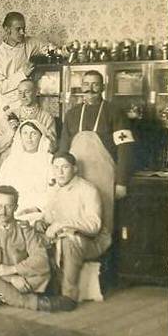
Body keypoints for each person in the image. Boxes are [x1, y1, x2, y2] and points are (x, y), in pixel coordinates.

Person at [33, 152, 111, 312]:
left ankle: (69, 297)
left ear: (74, 169)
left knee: (70, 242)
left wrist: (62, 225)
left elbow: (94, 225)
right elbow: (49, 217)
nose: (60, 172)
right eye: (56, 168)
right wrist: (42, 223)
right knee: (32, 236)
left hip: (91, 242)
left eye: (64, 167)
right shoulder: (55, 190)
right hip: (61, 237)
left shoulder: (88, 190)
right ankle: (42, 289)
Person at [59, 70, 134, 232]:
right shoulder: (72, 114)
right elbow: (63, 149)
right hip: (76, 177)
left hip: (104, 178)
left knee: (103, 223)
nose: (90, 88)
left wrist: (121, 182)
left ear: (103, 87)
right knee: (76, 220)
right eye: (86, 84)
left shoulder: (115, 112)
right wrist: (58, 176)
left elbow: (125, 149)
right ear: (81, 86)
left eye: (95, 84)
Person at [0, 186, 51, 311]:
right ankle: (28, 301)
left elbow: (41, 258)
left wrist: (12, 269)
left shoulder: (25, 229)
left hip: (21, 277)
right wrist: (12, 279)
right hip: (2, 277)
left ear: (16, 207)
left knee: (43, 274)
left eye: (8, 206)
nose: (2, 212)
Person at [0, 12, 45, 142]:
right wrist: (22, 74)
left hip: (25, 102)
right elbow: (0, 87)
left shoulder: (30, 43)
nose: (22, 32)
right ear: (7, 29)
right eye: (18, 29)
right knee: (5, 143)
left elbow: (46, 48)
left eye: (24, 29)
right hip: (6, 105)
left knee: (28, 141)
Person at [0, 120, 53, 222]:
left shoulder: (49, 160)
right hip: (9, 208)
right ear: (20, 136)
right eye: (25, 133)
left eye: (33, 133)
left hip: (37, 210)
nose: (29, 138)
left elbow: (53, 191)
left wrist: (36, 208)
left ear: (41, 136)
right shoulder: (11, 160)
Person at [0, 79, 57, 156]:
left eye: (27, 92)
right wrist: (11, 132)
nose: (23, 96)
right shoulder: (10, 115)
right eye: (20, 93)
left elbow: (53, 147)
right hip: (14, 159)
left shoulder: (46, 117)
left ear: (36, 92)